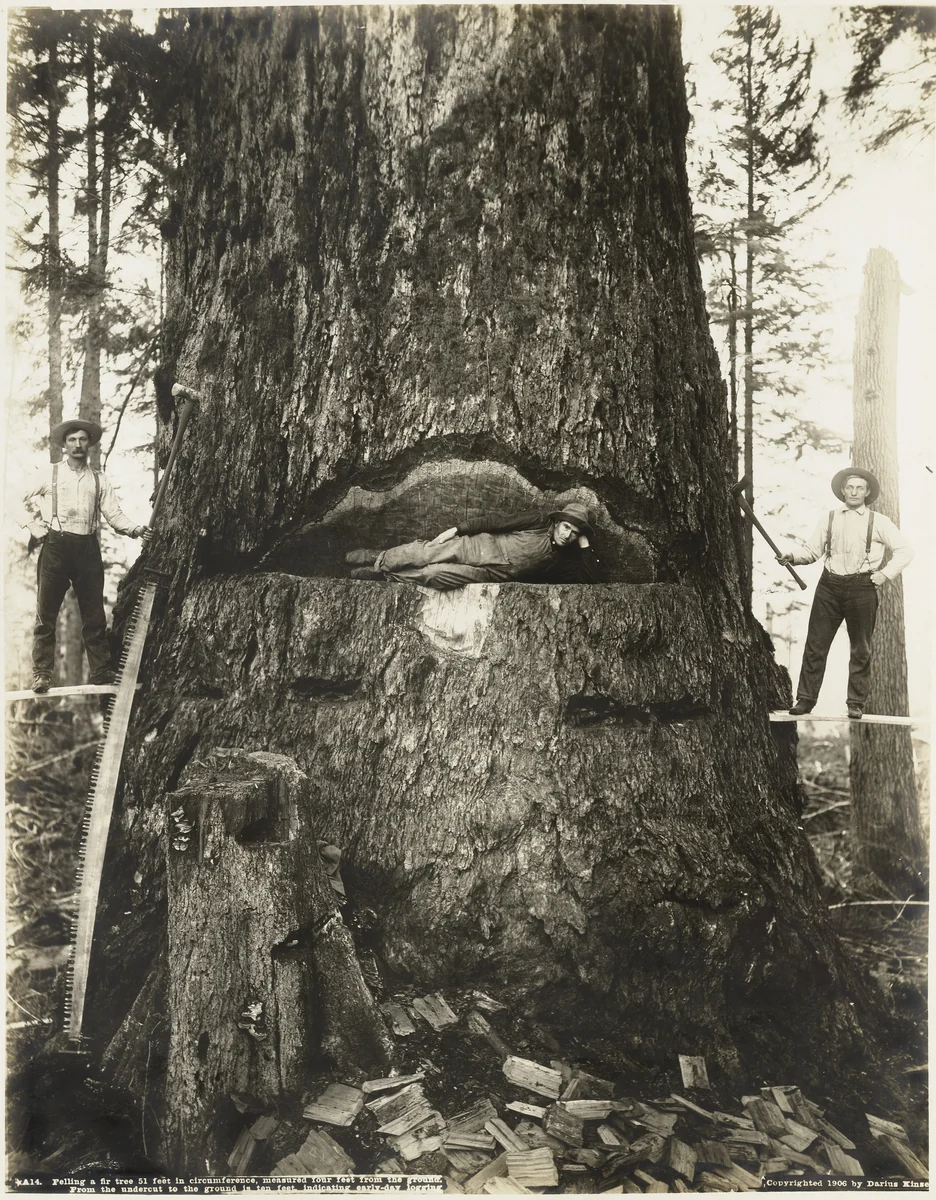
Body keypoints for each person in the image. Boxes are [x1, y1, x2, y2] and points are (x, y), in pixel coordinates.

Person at [19, 419, 151, 693]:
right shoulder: (49, 474)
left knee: (94, 617)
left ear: (89, 444)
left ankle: (101, 673)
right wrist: (30, 524)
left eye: (82, 440)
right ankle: (42, 674)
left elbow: (114, 514)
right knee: (46, 615)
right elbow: (8, 495)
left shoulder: (99, 479)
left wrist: (136, 528)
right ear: (64, 445)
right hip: (56, 547)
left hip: (87, 549)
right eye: (72, 440)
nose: (78, 445)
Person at [777, 467, 913, 720]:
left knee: (861, 648)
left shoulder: (879, 521)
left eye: (859, 488)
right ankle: (805, 699)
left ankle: (855, 703)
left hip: (862, 588)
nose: (854, 492)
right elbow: (811, 551)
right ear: (842, 490)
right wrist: (792, 557)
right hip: (829, 586)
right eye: (850, 487)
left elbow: (905, 550)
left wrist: (884, 574)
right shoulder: (830, 518)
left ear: (867, 492)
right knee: (816, 645)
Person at [346, 501, 601, 590]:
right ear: (557, 523)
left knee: (434, 574)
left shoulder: (564, 561)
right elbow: (497, 522)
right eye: (566, 527)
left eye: (574, 533)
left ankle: (385, 575)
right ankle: (376, 558)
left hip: (489, 574)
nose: (568, 535)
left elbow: (590, 580)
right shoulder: (538, 521)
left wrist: (584, 543)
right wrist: (457, 530)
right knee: (425, 553)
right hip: (479, 546)